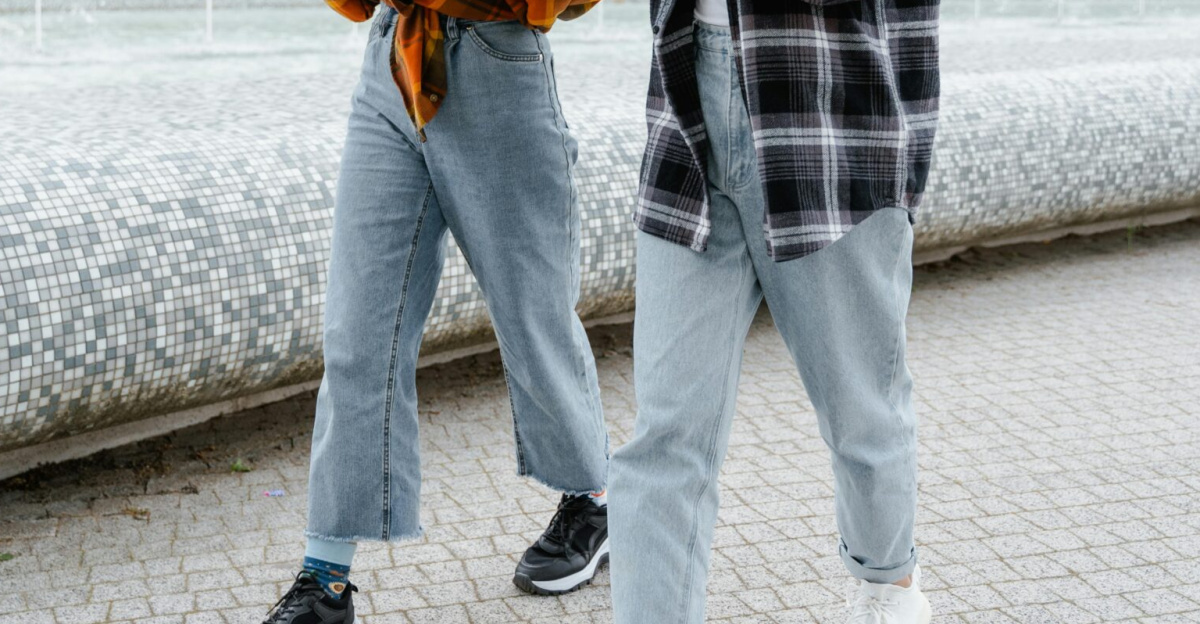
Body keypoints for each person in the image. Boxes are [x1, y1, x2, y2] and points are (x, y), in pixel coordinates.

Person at [263, 0, 611, 621]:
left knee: (534, 318)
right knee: (358, 333)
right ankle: (325, 580)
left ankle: (594, 499)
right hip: (392, 62)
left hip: (495, 62)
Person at [608, 0, 941, 622]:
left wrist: (902, 164)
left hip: (829, 110)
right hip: (687, 112)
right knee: (664, 436)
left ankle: (888, 588)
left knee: (861, 414)